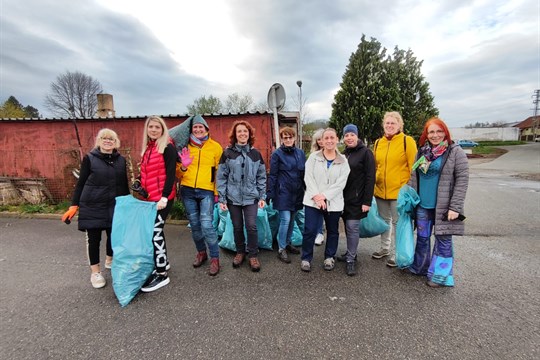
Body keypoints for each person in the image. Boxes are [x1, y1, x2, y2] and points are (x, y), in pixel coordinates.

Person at [62, 129, 129, 288]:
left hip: (114, 205)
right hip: (92, 205)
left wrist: (127, 204)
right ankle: (95, 272)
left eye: (111, 139)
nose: (107, 141)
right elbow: (81, 183)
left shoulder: (121, 161)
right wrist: (74, 205)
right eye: (104, 138)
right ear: (99, 141)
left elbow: (123, 185)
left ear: (115, 142)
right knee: (94, 239)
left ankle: (110, 260)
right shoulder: (90, 159)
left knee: (114, 236)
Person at [406, 117, 469, 287]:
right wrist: (408, 199)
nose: (435, 135)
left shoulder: (455, 152)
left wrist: (455, 207)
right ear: (426, 134)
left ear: (445, 133)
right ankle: (420, 267)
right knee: (423, 238)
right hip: (422, 206)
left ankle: (440, 276)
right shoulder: (422, 152)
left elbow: (462, 181)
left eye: (439, 131)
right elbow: (414, 177)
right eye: (431, 132)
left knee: (443, 240)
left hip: (444, 207)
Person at [176, 115, 223, 276]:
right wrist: (183, 167)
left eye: (200, 127)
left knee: (207, 225)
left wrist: (217, 192)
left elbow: (219, 172)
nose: (197, 130)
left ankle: (215, 259)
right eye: (195, 127)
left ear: (206, 129)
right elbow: (177, 174)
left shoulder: (215, 147)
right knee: (195, 226)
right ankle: (201, 252)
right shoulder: (185, 146)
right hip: (187, 190)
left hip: (206, 191)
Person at [217, 121, 267, 272]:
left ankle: (252, 254)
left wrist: (262, 196)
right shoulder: (227, 153)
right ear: (235, 135)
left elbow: (262, 176)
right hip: (233, 198)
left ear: (249, 134)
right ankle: (240, 252)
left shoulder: (256, 154)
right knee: (237, 226)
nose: (242, 134)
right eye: (239, 132)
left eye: (245, 131)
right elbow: (221, 177)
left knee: (251, 226)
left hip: (251, 197)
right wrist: (222, 198)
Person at [300, 128, 350, 272]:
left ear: (337, 139)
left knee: (333, 230)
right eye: (326, 138)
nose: (329, 141)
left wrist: (325, 196)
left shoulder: (343, 161)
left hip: (333, 202)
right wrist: (316, 196)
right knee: (309, 230)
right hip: (312, 201)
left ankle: (329, 257)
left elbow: (341, 183)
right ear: (321, 140)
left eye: (331, 138)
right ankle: (306, 258)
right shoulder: (313, 157)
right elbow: (308, 177)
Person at [372, 111, 417, 267]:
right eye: (387, 123)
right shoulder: (378, 143)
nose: (389, 126)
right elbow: (376, 166)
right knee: (384, 222)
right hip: (380, 190)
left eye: (393, 123)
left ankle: (399, 253)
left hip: (399, 191)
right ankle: (385, 248)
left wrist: (409, 187)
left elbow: (414, 167)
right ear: (383, 125)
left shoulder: (407, 141)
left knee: (399, 223)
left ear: (399, 125)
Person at [138, 116, 177, 292]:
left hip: (163, 198)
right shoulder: (148, 148)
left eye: (157, 127)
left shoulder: (167, 147)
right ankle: (163, 262)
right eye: (151, 127)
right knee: (153, 232)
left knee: (155, 232)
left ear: (163, 129)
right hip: (150, 198)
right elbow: (149, 173)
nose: (154, 130)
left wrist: (164, 196)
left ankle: (161, 274)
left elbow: (170, 174)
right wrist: (140, 181)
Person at [340, 124, 375, 276]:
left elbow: (370, 178)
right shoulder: (343, 154)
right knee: (348, 228)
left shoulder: (366, 153)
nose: (349, 138)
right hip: (342, 199)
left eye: (351, 135)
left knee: (353, 227)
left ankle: (351, 260)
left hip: (357, 198)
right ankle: (351, 252)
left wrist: (366, 201)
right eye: (346, 135)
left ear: (357, 136)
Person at [267, 126, 306, 264]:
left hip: (297, 192)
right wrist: (270, 193)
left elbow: (304, 174)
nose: (288, 140)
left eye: (290, 137)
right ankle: (281, 248)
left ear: (294, 138)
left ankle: (288, 243)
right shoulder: (277, 154)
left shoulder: (300, 153)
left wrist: (308, 190)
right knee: (285, 220)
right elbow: (273, 175)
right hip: (283, 192)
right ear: (282, 139)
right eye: (285, 137)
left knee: (292, 219)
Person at [310, 128, 326, 246]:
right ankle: (319, 233)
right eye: (318, 139)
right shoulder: (313, 155)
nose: (321, 141)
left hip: (329, 188)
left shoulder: (334, 154)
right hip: (317, 188)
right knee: (319, 211)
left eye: (322, 139)